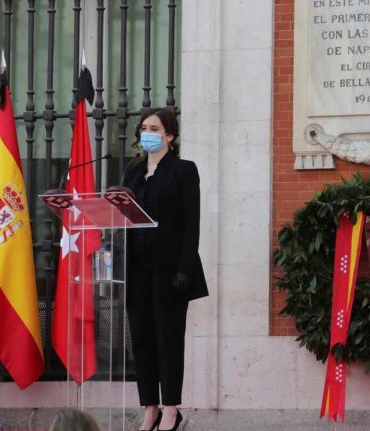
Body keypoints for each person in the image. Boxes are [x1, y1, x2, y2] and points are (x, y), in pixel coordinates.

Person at [120, 107, 208, 431]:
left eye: (154, 128)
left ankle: (171, 410)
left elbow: (191, 224)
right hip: (137, 269)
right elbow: (122, 215)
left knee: (168, 341)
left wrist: (185, 267)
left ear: (169, 135)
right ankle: (150, 409)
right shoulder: (132, 171)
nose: (147, 133)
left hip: (170, 272)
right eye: (144, 127)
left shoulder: (184, 170)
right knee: (142, 340)